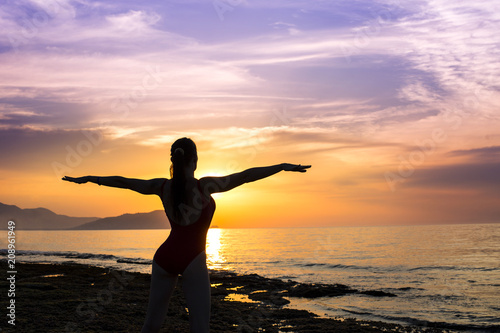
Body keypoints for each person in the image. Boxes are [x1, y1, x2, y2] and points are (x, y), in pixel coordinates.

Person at [62, 137, 311, 332]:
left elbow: (124, 181)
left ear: (173, 160)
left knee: (151, 325)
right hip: (193, 259)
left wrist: (90, 178)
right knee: (200, 329)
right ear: (195, 160)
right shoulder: (205, 186)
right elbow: (244, 176)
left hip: (164, 258)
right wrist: (280, 167)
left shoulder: (162, 186)